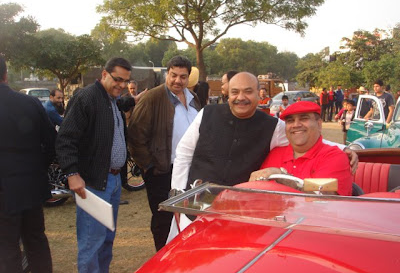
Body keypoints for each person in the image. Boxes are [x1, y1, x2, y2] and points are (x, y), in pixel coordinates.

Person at [168, 72, 357, 241]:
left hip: (237, 215)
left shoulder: (272, 127)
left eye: (248, 91)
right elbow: (183, 154)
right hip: (194, 207)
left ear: (259, 94)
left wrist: (345, 149)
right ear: (227, 93)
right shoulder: (207, 114)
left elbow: (301, 135)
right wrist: (180, 195)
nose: (240, 98)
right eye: (235, 92)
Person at [56, 57, 132, 273]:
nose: (121, 85)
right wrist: (72, 173)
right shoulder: (87, 97)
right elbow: (65, 138)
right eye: (117, 79)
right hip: (93, 182)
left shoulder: (112, 100)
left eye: (125, 81)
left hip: (113, 181)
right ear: (104, 74)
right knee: (92, 244)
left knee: (107, 240)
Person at [127, 55, 201, 251]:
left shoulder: (194, 99)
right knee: (163, 221)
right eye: (173, 75)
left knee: (190, 218)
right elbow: (135, 135)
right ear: (167, 74)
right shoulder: (152, 98)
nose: (178, 80)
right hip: (162, 172)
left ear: (188, 77)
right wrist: (149, 168)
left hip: (191, 173)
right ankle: (163, 261)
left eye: (183, 76)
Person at [0, 55, 55, 273]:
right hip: (31, 184)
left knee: (7, 247)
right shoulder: (30, 103)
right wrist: (37, 167)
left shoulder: (29, 103)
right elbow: (52, 141)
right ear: (6, 75)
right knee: (36, 240)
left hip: (5, 190)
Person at [249, 101, 352, 196]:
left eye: (303, 119)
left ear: (319, 124)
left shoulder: (335, 157)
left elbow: (323, 194)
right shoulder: (275, 153)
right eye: (290, 121)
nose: (296, 125)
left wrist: (281, 176)